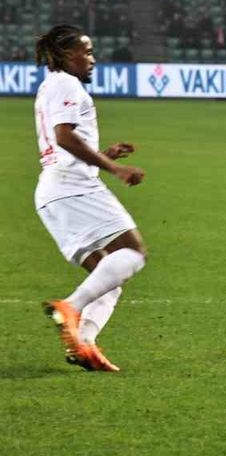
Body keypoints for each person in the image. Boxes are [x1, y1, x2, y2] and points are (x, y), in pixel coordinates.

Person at [33, 25, 148, 373]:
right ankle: (70, 307)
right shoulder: (67, 84)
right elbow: (64, 137)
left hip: (54, 192)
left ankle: (83, 344)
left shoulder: (50, 85)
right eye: (87, 52)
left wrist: (104, 154)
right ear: (67, 55)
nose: (92, 59)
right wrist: (114, 168)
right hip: (73, 187)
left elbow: (63, 144)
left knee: (107, 279)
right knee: (133, 253)